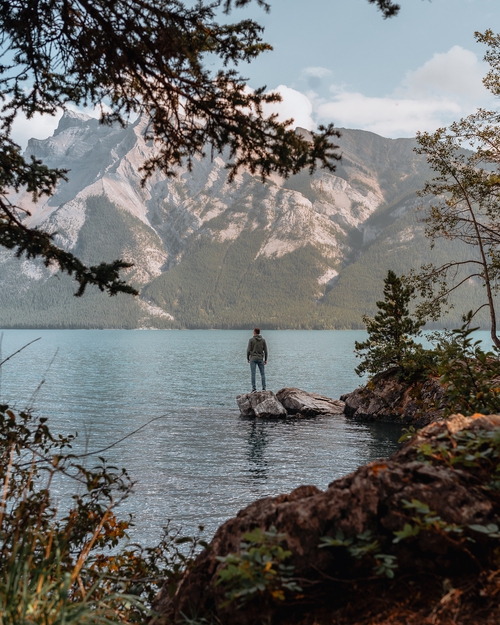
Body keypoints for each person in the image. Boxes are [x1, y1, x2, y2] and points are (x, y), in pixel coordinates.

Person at [247, 328, 268, 392]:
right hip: (260, 358)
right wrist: (265, 359)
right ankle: (264, 388)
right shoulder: (263, 340)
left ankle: (254, 388)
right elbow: (266, 351)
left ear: (255, 332)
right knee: (262, 374)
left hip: (253, 358)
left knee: (253, 374)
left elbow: (248, 350)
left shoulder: (251, 340)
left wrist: (248, 358)